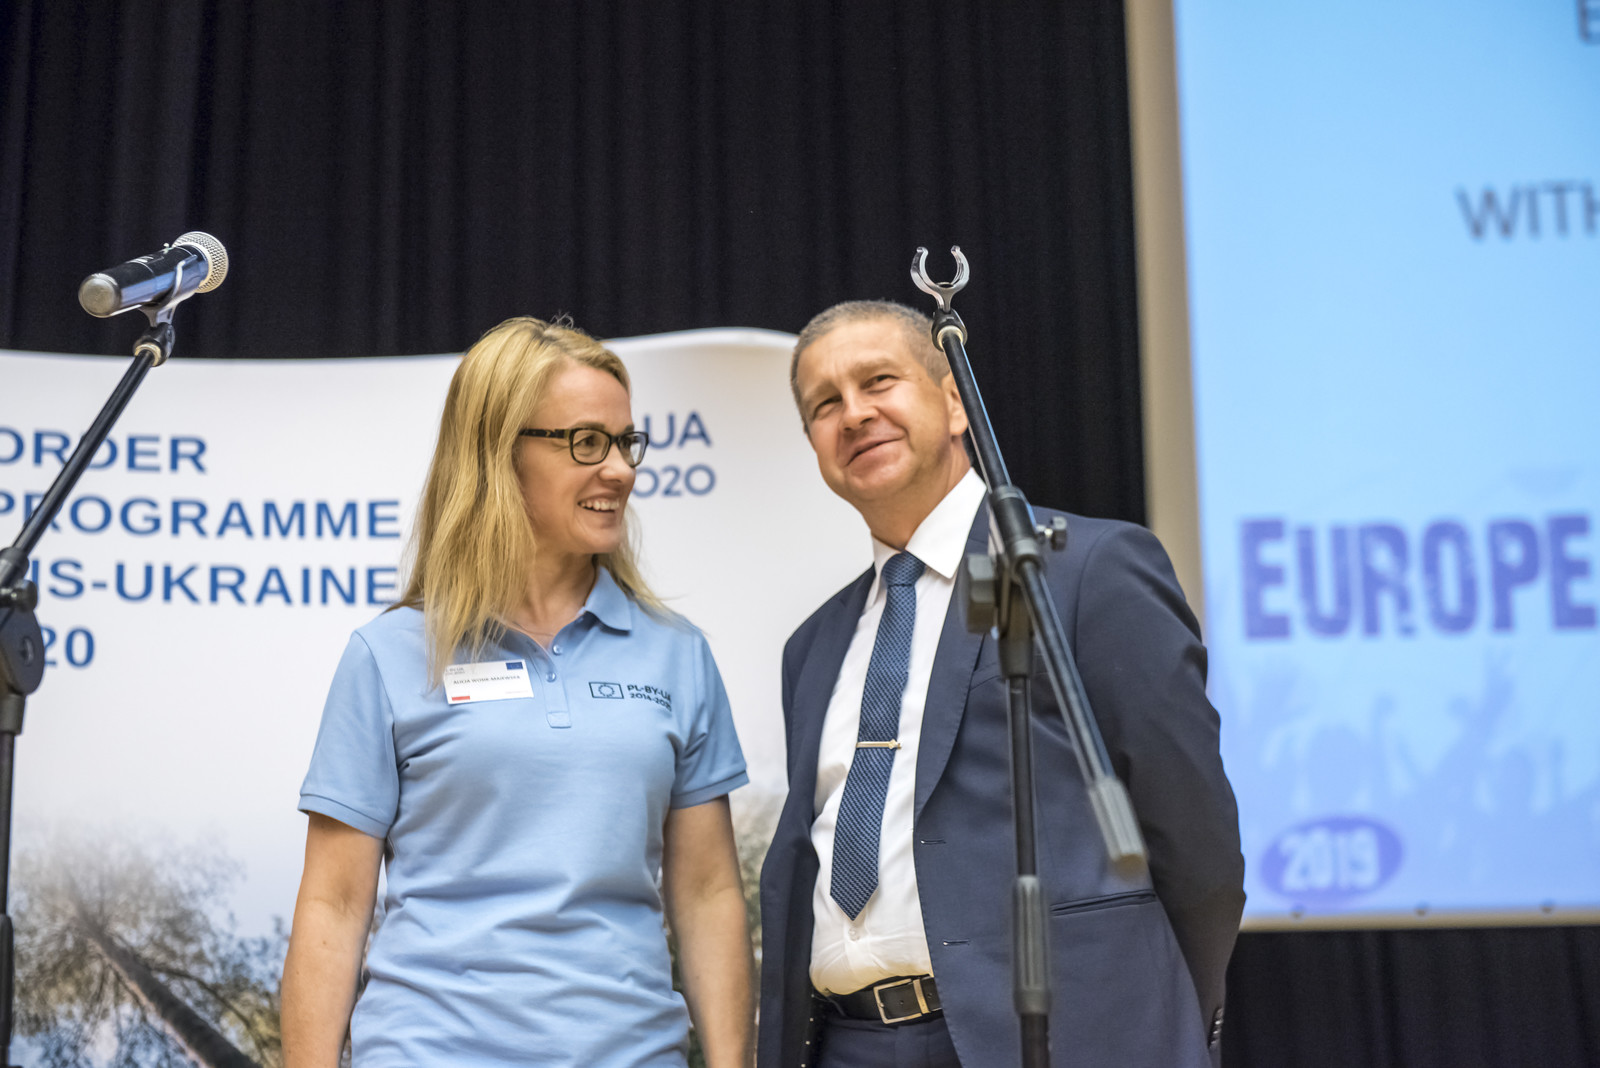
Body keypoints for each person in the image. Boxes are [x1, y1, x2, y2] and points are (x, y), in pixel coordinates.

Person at [758, 301, 1246, 1068]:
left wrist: (1161, 1012)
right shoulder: (812, 646)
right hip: (849, 1043)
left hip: (1067, 1038)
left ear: (955, 402)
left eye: (878, 382)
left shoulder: (1088, 571)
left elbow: (1193, 833)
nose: (853, 414)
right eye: (825, 404)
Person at [281, 317, 753, 1068]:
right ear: (497, 454)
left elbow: (707, 895)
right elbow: (333, 906)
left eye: (625, 442)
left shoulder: (678, 653)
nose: (621, 471)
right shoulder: (387, 655)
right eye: (586, 442)